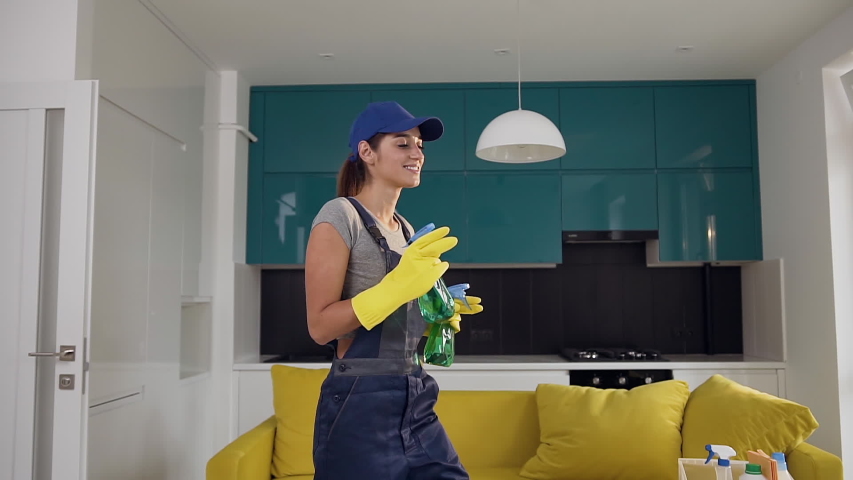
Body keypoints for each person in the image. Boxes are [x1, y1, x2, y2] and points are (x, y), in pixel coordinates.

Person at [304, 101, 483, 479]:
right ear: (366, 152)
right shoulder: (340, 216)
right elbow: (320, 327)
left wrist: (438, 308)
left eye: (420, 144)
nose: (417, 153)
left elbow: (399, 308)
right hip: (360, 401)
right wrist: (397, 288)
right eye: (403, 143)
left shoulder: (404, 228)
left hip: (414, 390)